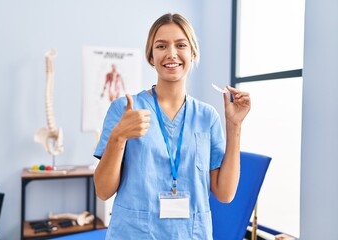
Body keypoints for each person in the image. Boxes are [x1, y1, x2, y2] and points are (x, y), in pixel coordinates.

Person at [93, 13, 251, 240]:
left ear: (193, 53)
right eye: (161, 46)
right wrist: (118, 137)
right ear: (151, 56)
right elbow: (103, 190)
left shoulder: (207, 116)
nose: (171, 54)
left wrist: (234, 126)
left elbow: (225, 194)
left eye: (181, 45)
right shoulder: (125, 109)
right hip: (133, 234)